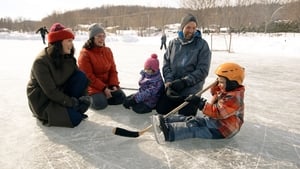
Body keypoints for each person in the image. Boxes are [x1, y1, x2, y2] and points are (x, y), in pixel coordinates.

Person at [152, 62, 245, 142]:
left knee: (193, 128)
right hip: (215, 121)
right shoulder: (227, 89)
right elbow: (214, 93)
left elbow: (218, 112)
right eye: (219, 81)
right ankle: (165, 121)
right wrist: (217, 85)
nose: (219, 84)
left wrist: (200, 103)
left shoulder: (234, 97)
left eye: (222, 82)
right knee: (192, 120)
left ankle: (169, 132)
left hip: (222, 130)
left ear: (232, 83)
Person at [27, 23, 91, 128]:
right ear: (58, 43)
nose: (72, 44)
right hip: (44, 100)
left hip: (61, 93)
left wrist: (85, 97)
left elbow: (81, 80)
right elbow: (50, 91)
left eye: (72, 41)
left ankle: (70, 109)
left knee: (81, 76)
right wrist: (72, 103)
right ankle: (68, 110)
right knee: (75, 119)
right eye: (69, 41)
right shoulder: (41, 62)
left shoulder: (68, 57)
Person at [156, 13, 211, 117]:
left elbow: (203, 70)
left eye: (194, 28)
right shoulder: (173, 43)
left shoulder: (202, 45)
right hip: (174, 86)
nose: (191, 30)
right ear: (182, 27)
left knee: (185, 117)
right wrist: (169, 80)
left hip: (191, 89)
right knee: (161, 109)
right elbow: (166, 63)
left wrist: (185, 81)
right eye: (188, 27)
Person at [78, 23, 126, 110]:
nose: (102, 39)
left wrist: (113, 84)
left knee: (121, 98)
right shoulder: (85, 53)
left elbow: (113, 70)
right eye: (99, 36)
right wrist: (103, 88)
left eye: (103, 36)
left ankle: (104, 95)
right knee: (100, 104)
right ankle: (89, 98)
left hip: (107, 84)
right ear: (92, 38)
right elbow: (88, 76)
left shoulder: (107, 51)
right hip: (92, 86)